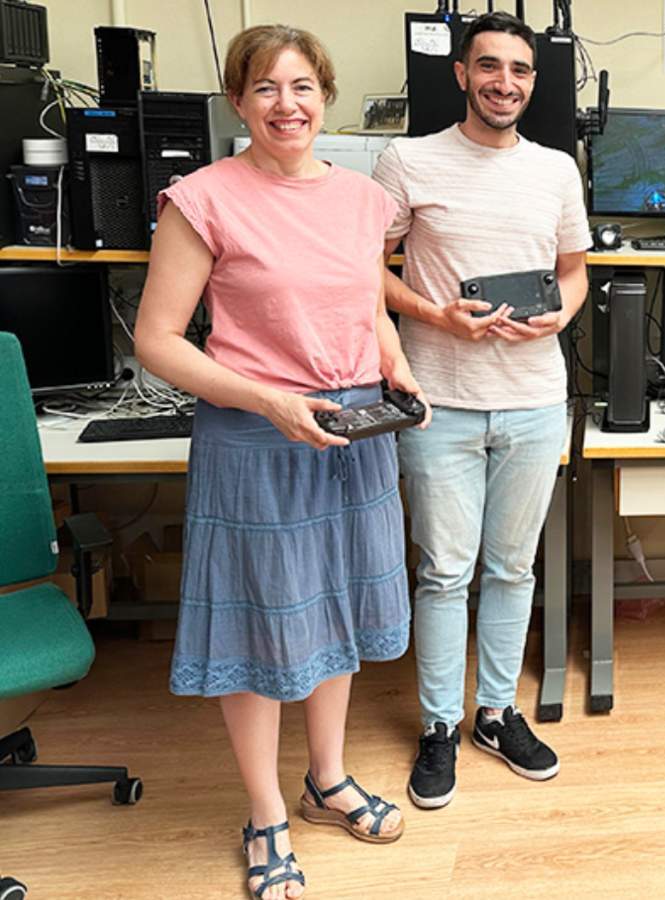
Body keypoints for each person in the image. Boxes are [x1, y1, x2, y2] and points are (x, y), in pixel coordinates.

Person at [134, 25, 425, 900]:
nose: (286, 105)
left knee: (338, 609)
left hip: (353, 434)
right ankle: (265, 815)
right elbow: (157, 340)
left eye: (302, 87)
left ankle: (326, 780)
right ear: (238, 102)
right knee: (261, 628)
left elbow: (365, 302)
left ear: (325, 96)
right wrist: (268, 401)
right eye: (265, 88)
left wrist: (396, 364)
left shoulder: (364, 200)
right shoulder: (202, 199)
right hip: (259, 440)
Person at [372, 11, 590, 809]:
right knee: (443, 573)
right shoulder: (408, 160)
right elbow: (364, 269)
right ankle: (439, 725)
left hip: (533, 401)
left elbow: (574, 270)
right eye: (490, 67)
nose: (505, 83)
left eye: (520, 70)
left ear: (534, 81)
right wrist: (434, 314)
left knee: (512, 568)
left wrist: (560, 315)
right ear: (462, 74)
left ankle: (496, 714)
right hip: (441, 403)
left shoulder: (556, 169)